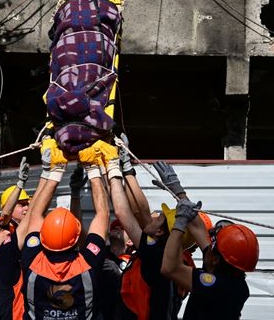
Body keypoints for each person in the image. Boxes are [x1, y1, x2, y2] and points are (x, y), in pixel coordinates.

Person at [0, 141, 64, 320]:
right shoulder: (0, 259)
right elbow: (32, 215)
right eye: (0, 230)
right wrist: (50, 172)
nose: (7, 231)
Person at [19, 139, 113, 319]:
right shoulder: (88, 263)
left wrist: (55, 171)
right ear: (77, 238)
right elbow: (102, 215)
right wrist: (93, 168)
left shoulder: (32, 260)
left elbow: (35, 215)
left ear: (43, 236)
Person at [158, 162, 259, 320]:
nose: (209, 239)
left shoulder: (220, 287)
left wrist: (179, 223)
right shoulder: (226, 268)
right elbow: (198, 228)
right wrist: (177, 191)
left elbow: (170, 268)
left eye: (214, 242)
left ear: (217, 259)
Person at [108, 137, 184, 320]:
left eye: (160, 217)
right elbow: (139, 212)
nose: (155, 215)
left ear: (159, 232)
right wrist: (126, 168)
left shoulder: (155, 254)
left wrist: (113, 168)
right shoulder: (168, 252)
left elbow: (124, 212)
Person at [0, 157, 32, 226]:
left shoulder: (29, 226)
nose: (27, 208)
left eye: (27, 204)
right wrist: (20, 183)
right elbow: (5, 215)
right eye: (22, 204)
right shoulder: (2, 229)